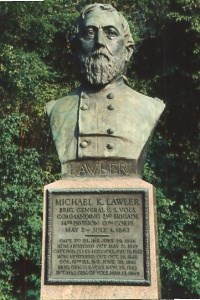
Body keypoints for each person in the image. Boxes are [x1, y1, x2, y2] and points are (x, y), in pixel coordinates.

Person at [45, 3, 165, 175]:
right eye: (89, 33)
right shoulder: (56, 109)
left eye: (111, 33)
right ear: (76, 48)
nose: (100, 42)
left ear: (128, 51)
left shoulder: (149, 108)